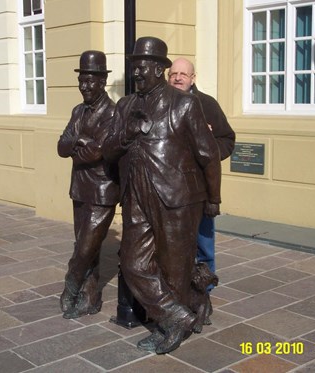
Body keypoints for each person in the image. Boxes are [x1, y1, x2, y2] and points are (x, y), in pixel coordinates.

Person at [102, 37, 222, 354]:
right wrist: (127, 133)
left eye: (143, 66)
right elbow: (109, 150)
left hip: (178, 198)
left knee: (174, 268)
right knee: (133, 263)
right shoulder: (125, 106)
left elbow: (208, 154)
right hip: (137, 195)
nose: (137, 73)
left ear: (159, 69)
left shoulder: (184, 104)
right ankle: (179, 314)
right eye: (134, 67)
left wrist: (214, 198)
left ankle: (172, 323)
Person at [57, 50, 119, 320]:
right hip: (80, 187)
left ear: (102, 81)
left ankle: (71, 286)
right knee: (86, 245)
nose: (84, 86)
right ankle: (90, 297)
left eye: (90, 81)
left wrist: (79, 143)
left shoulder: (113, 113)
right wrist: (81, 142)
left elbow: (96, 152)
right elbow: (62, 146)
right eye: (81, 81)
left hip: (103, 190)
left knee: (85, 247)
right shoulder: (77, 110)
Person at [168, 57, 236, 283]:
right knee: (172, 245)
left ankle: (203, 294)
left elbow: (227, 140)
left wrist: (205, 145)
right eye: (173, 74)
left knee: (203, 246)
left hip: (200, 190)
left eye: (183, 74)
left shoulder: (206, 104)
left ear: (193, 78)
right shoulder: (160, 104)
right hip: (169, 190)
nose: (177, 78)